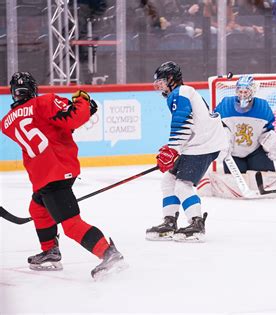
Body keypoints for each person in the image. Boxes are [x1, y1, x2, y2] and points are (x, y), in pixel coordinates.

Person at [1, 72, 126, 279]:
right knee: (39, 209)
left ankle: (109, 254)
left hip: (46, 175)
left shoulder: (6, 123)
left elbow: (44, 128)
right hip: (56, 172)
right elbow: (73, 118)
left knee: (70, 224)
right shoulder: (44, 102)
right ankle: (51, 252)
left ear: (13, 94)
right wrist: (82, 101)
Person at [145, 61, 228, 242]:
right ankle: (169, 221)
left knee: (183, 184)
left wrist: (172, 150)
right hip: (198, 144)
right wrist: (173, 149)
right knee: (169, 180)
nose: (158, 85)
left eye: (161, 80)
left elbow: (183, 124)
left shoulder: (181, 93)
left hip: (204, 146)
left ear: (171, 79)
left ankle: (197, 224)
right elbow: (189, 126)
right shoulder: (182, 93)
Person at [197, 75, 276, 199]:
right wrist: (219, 142)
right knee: (234, 182)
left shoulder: (262, 107)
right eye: (240, 90)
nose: (242, 94)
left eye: (246, 91)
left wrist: (274, 143)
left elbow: (267, 130)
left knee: (267, 178)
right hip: (233, 154)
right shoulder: (226, 105)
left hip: (256, 151)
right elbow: (216, 125)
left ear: (253, 91)